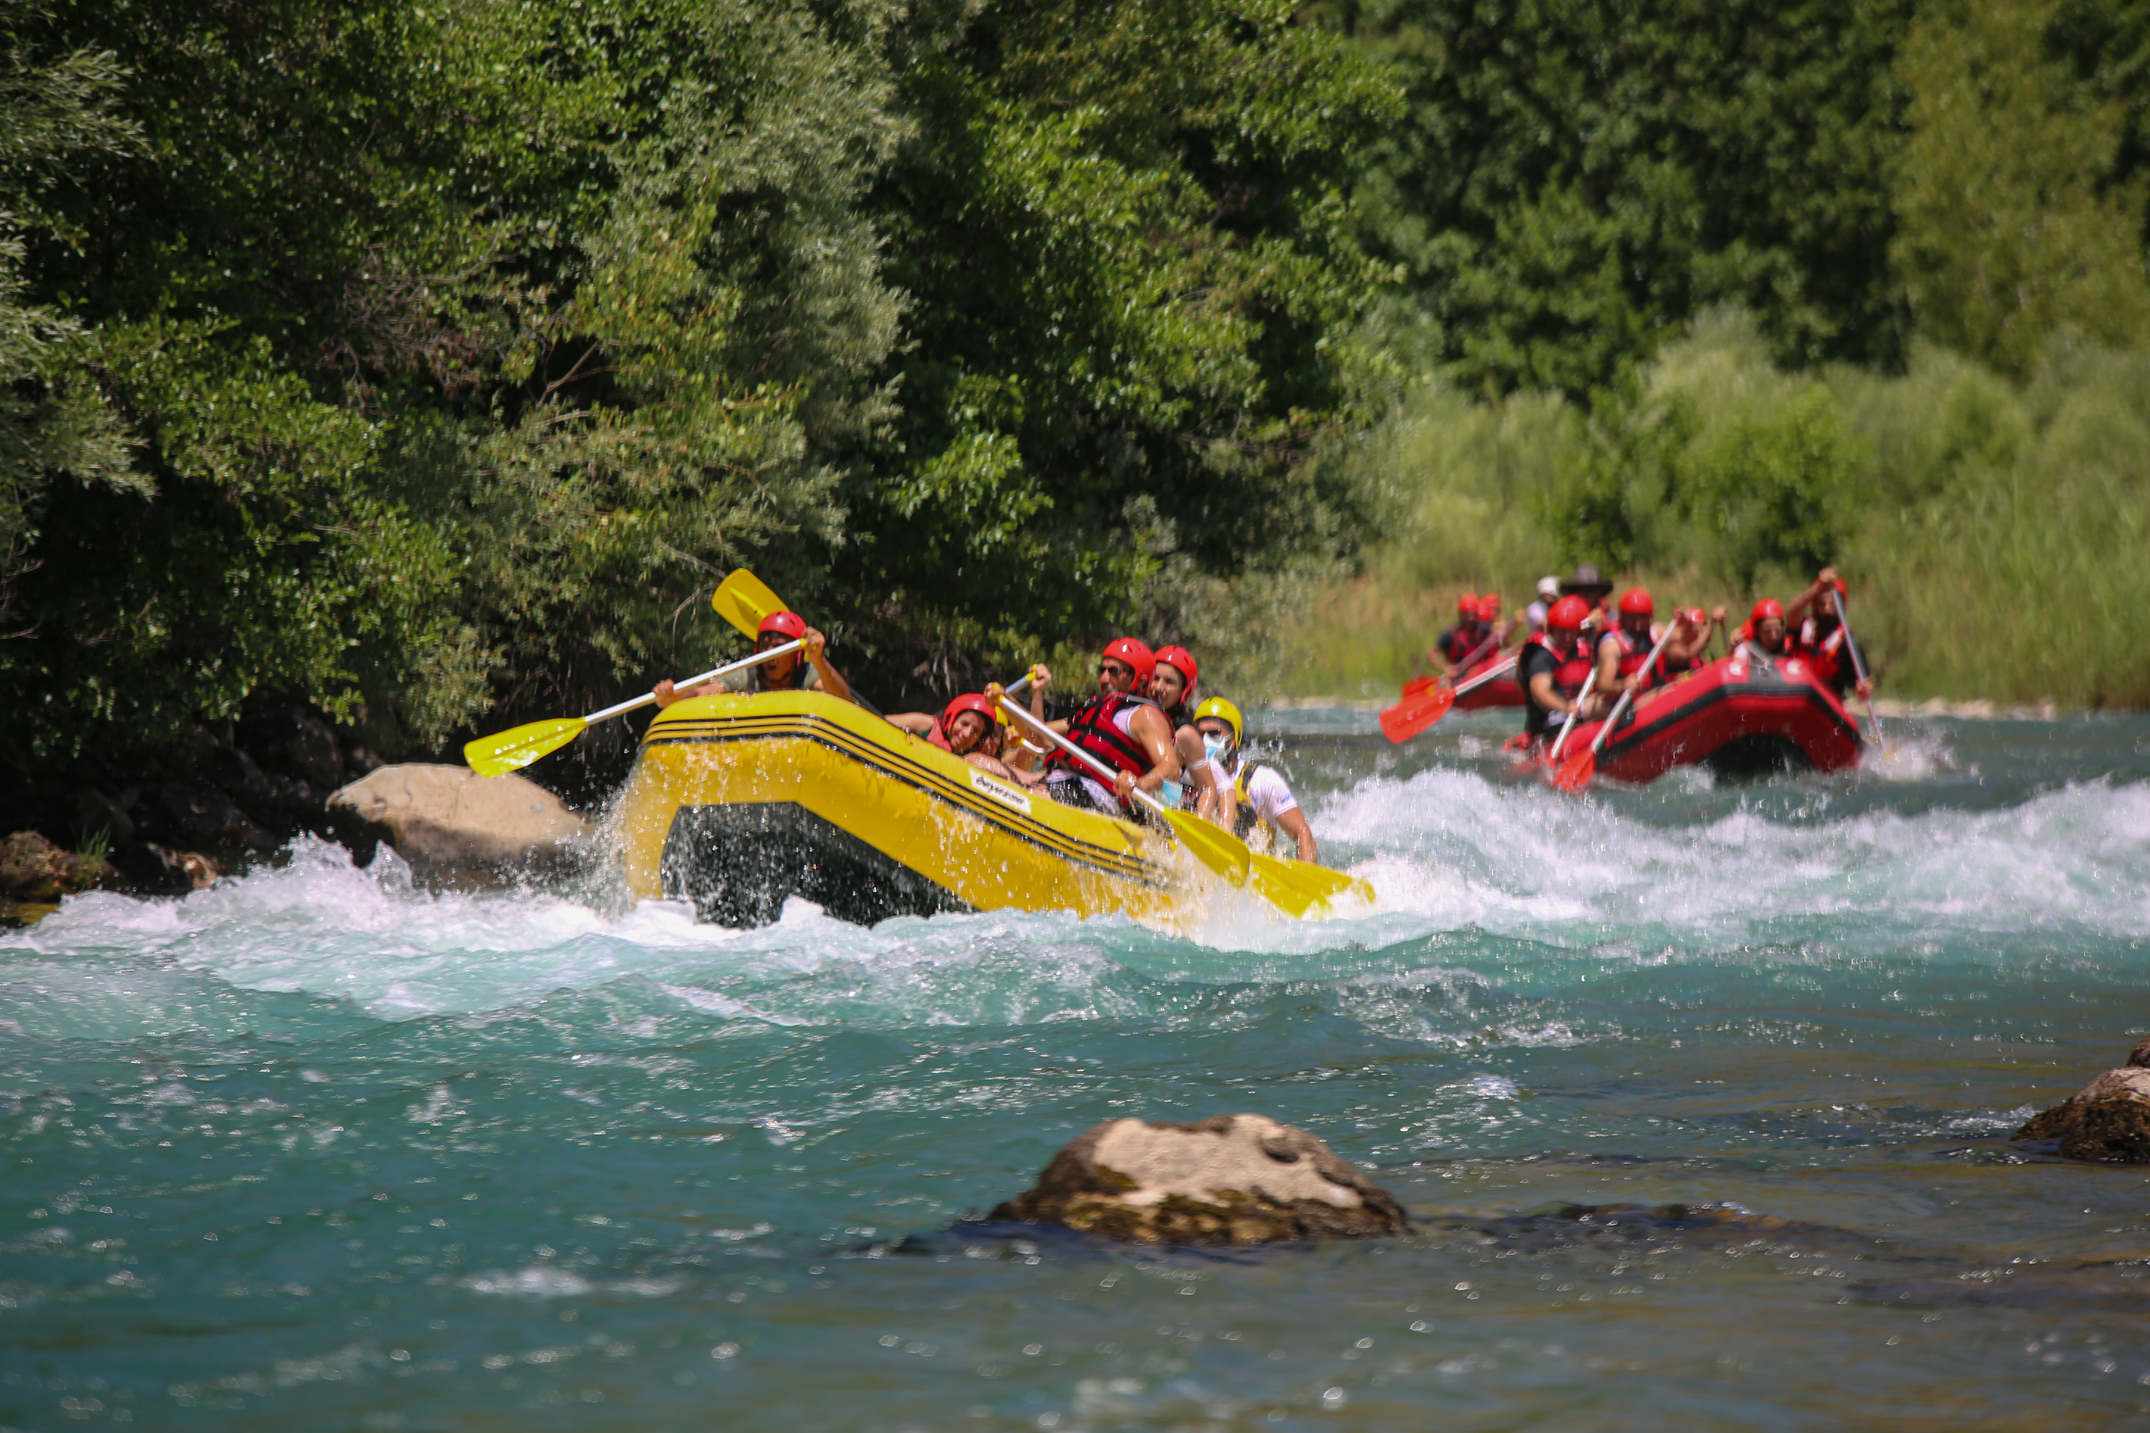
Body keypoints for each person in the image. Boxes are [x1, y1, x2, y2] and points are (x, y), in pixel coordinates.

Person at [1038, 637, 1181, 816]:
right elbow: (1038, 734)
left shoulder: (1145, 715)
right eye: (1102, 670)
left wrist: (1138, 784)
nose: (1104, 678)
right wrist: (1036, 692)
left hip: (1095, 797)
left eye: (1114, 671)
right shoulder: (1093, 709)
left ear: (1141, 681)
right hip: (1059, 782)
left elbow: (1171, 768)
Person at [1190, 698, 1319, 865]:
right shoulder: (1187, 777)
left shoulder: (1263, 780)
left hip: (1254, 872)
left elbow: (1302, 834)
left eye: (1214, 734)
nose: (1205, 741)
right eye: (1200, 734)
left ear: (1233, 739)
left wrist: (1305, 880)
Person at [653, 610, 855, 707]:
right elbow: (702, 692)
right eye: (765, 646)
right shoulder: (747, 674)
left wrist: (819, 659)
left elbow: (843, 700)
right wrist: (674, 696)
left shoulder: (808, 673)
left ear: (796, 656)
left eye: (778, 648)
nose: (770, 653)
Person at [1592, 588, 1710, 700]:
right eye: (1632, 619)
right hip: (1628, 704)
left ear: (1650, 618)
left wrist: (1687, 625)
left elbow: (1687, 639)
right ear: (1622, 618)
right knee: (1673, 688)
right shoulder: (1612, 645)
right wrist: (1623, 685)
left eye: (1642, 618)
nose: (1637, 626)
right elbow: (1603, 685)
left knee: (1681, 684)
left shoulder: (1655, 632)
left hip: (1655, 695)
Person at [1785, 567, 1873, 701]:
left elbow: (1862, 686)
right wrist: (1817, 588)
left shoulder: (1848, 644)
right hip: (1796, 697)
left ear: (1840, 607)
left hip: (1827, 704)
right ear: (1813, 605)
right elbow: (1791, 612)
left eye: (1831, 604)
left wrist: (1863, 689)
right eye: (1821, 604)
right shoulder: (1802, 627)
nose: (1826, 610)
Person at [1518, 595, 1596, 746]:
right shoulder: (1540, 654)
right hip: (1552, 725)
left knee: (1604, 704)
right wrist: (1566, 707)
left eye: (1571, 632)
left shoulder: (1585, 648)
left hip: (1582, 715)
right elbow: (1540, 694)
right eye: (1561, 632)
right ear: (1551, 631)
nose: (1567, 638)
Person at [1149, 645, 1218, 811]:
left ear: (1183, 691)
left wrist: (1199, 827)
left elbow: (1208, 789)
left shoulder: (1185, 734)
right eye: (1155, 678)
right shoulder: (1134, 714)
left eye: (1169, 682)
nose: (1158, 687)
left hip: (1164, 811)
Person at [1427, 594, 1485, 675]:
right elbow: (1431, 656)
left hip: (1481, 675)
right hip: (1459, 678)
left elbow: (1500, 633)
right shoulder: (1450, 635)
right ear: (1460, 615)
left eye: (1473, 615)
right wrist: (1444, 668)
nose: (1470, 618)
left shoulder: (1482, 629)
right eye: (1467, 615)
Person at [1730, 598, 1790, 664]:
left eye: (1777, 630)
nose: (1773, 636)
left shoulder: (1790, 647)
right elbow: (1733, 668)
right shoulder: (1747, 650)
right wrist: (1733, 649)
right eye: (1767, 631)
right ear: (1757, 631)